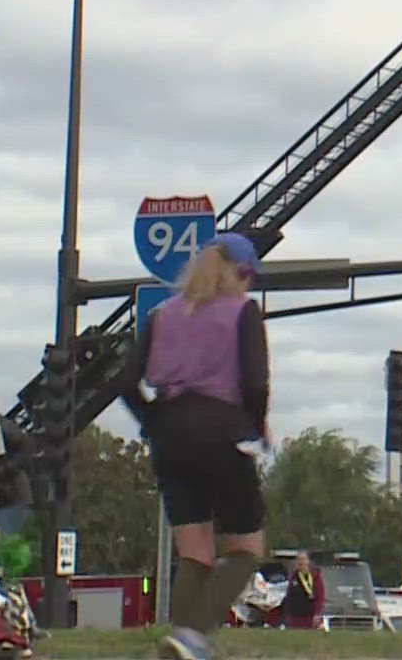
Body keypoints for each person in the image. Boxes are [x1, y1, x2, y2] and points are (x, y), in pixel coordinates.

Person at [115, 232, 271, 660]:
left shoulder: (163, 314)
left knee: (195, 552)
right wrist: (255, 426)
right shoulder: (244, 313)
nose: (249, 285)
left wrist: (152, 420)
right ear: (238, 273)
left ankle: (177, 647)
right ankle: (190, 637)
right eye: (248, 276)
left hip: (169, 431)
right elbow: (256, 383)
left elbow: (125, 381)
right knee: (246, 549)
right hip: (222, 430)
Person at [280, 551, 325, 630]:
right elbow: (289, 598)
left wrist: (317, 614)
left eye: (303, 559)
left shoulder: (315, 577)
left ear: (308, 561)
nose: (301, 562)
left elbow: (320, 597)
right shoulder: (293, 577)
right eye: (299, 559)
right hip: (295, 619)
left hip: (311, 618)